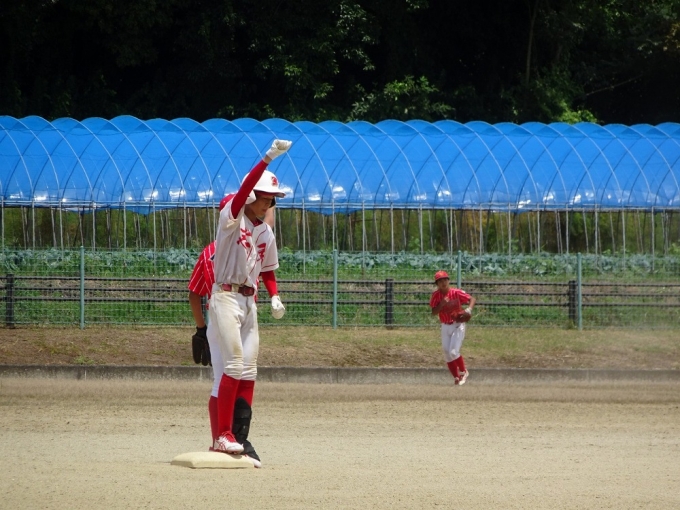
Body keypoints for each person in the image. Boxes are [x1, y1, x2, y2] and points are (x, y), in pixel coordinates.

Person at [209, 139, 290, 457]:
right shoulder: (231, 219)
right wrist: (268, 158)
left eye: (273, 199)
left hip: (249, 301)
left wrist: (275, 295)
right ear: (253, 196)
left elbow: (267, 269)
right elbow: (241, 192)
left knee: (249, 370)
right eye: (266, 197)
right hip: (226, 297)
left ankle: (240, 437)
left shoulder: (266, 232)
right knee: (232, 365)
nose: (270, 203)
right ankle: (222, 435)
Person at [188, 198, 276, 467]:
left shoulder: (209, 250)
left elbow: (194, 292)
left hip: (219, 315)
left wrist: (200, 329)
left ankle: (224, 438)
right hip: (229, 311)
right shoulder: (244, 244)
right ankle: (229, 437)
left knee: (225, 378)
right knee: (236, 371)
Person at [429, 270, 476, 385]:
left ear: (448, 281)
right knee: (447, 353)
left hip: (457, 325)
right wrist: (441, 304)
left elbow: (472, 299)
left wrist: (468, 309)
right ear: (437, 284)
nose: (443, 282)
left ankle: (464, 372)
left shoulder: (456, 292)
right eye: (440, 281)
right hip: (445, 325)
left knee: (454, 352)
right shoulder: (436, 295)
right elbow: (433, 312)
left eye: (445, 280)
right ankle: (456, 377)